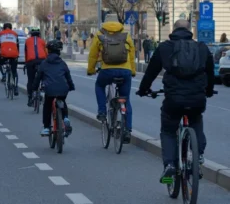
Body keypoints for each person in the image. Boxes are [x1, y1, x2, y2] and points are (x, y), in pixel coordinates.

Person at [136, 19, 215, 182]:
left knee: (168, 130)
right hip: (197, 98)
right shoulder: (201, 48)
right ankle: (198, 155)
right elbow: (210, 73)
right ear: (189, 30)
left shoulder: (164, 47)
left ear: (173, 29)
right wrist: (208, 91)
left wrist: (143, 89)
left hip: (173, 99)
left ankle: (170, 165)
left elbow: (151, 72)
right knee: (196, 120)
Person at [87, 21, 135, 142]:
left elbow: (93, 54)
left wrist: (91, 70)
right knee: (126, 99)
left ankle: (102, 111)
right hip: (125, 71)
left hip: (107, 70)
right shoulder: (126, 34)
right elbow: (132, 54)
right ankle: (128, 130)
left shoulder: (99, 34)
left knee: (99, 85)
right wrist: (132, 71)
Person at [33, 40, 75, 136]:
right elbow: (68, 77)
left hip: (49, 89)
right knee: (62, 101)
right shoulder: (63, 63)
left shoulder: (44, 63)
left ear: (48, 51)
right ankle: (65, 118)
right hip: (63, 89)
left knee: (47, 105)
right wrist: (71, 87)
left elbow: (38, 77)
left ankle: (47, 127)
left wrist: (34, 88)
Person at [25, 27, 47, 106]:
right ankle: (43, 84)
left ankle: (30, 98)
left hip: (30, 61)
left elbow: (26, 53)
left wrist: (26, 63)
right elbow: (46, 52)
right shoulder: (42, 41)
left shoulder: (27, 41)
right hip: (41, 60)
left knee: (30, 80)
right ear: (39, 34)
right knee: (44, 74)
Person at [0, 23, 19, 95]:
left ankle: (3, 74)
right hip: (14, 55)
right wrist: (17, 55)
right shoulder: (15, 34)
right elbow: (17, 46)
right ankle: (15, 87)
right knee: (14, 71)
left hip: (4, 55)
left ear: (3, 27)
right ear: (11, 28)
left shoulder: (0, 34)